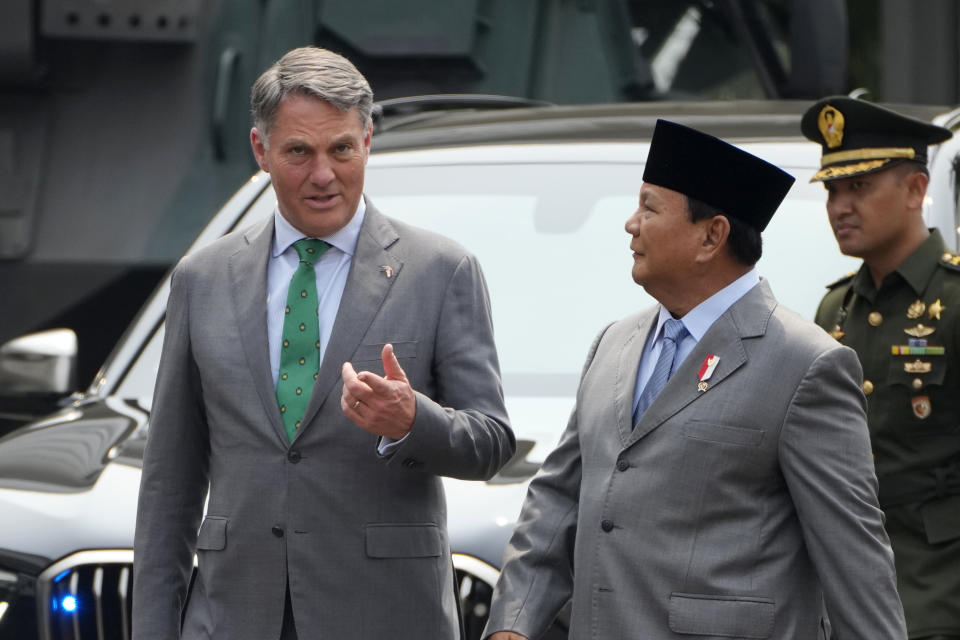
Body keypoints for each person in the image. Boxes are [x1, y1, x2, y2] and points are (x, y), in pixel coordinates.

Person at [132, 46, 515, 640]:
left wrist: (412, 421)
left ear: (367, 139)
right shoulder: (202, 279)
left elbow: (491, 442)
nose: (323, 174)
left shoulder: (441, 270)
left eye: (341, 148)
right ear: (261, 151)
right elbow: (169, 483)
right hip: (234, 617)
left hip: (383, 617)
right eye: (298, 152)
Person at [483, 119, 907, 640]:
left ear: (712, 236)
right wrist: (513, 624)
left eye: (649, 208)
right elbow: (557, 501)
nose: (631, 224)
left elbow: (854, 559)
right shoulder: (614, 345)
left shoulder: (805, 365)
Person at [804, 95, 959, 640]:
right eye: (832, 190)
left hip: (938, 592)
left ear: (916, 190)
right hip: (848, 590)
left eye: (860, 187)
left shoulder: (955, 301)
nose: (841, 206)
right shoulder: (834, 310)